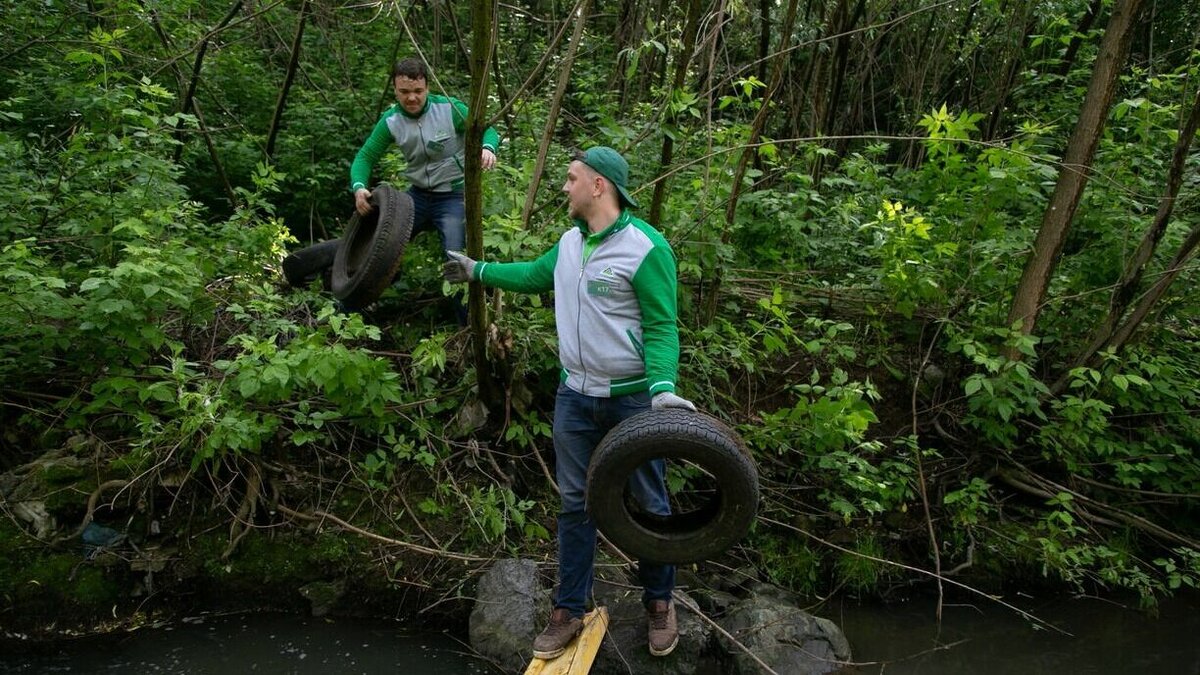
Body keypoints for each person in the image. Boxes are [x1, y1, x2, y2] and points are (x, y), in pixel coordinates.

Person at [443, 147, 696, 658]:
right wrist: (477, 270)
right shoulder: (569, 244)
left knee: (650, 503)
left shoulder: (646, 248)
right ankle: (569, 609)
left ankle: (659, 604)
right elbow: (534, 276)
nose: (564, 186)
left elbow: (662, 325)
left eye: (571, 178)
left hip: (631, 404)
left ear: (599, 186)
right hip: (574, 398)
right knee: (575, 503)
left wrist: (662, 388)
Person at [349, 57, 499, 321]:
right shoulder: (391, 120)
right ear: (395, 89)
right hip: (416, 196)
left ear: (427, 87)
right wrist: (359, 187)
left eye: (418, 91)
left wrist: (487, 148)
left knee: (455, 256)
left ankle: (467, 328)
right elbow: (365, 157)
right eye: (404, 92)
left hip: (453, 196)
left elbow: (487, 129)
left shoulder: (449, 109)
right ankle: (354, 308)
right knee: (378, 244)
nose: (412, 98)